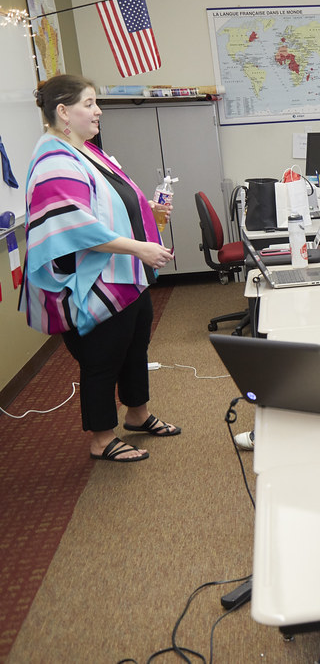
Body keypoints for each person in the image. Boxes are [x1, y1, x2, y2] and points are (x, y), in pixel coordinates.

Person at [20, 74, 177, 463]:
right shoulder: (54, 160)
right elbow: (75, 226)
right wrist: (140, 248)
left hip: (123, 273)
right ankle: (102, 438)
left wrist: (149, 212)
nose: (98, 111)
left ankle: (137, 415)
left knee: (134, 346)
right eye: (89, 103)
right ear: (63, 112)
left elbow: (112, 201)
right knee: (102, 357)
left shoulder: (90, 152)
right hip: (92, 281)